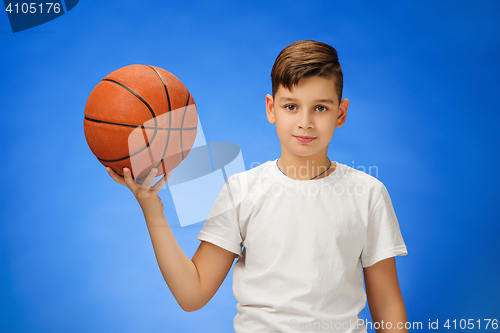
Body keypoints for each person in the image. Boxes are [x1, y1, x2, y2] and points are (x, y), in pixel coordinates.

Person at [106, 40, 408, 333]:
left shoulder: (368, 194)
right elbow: (192, 295)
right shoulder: (242, 191)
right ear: (271, 108)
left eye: (320, 108)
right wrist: (152, 209)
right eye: (291, 106)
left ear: (340, 113)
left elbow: (387, 304)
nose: (305, 122)